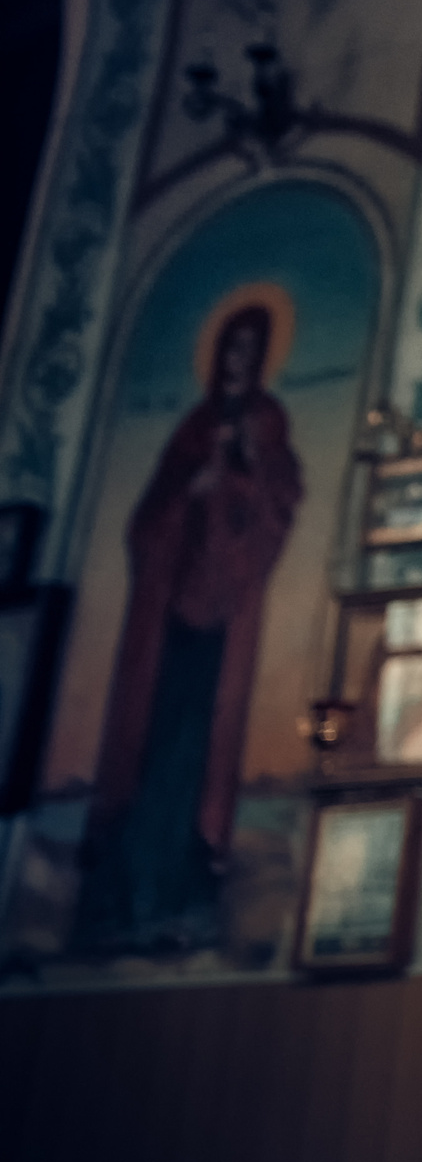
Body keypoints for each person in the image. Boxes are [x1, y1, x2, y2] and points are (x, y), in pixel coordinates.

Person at [79, 297, 303, 952]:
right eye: (229, 347)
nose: (236, 359)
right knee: (154, 747)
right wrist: (193, 490)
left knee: (197, 749)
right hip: (170, 609)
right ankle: (130, 894)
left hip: (224, 615)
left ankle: (182, 891)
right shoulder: (193, 428)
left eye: (247, 350)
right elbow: (146, 521)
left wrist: (242, 474)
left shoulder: (266, 422)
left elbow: (278, 503)